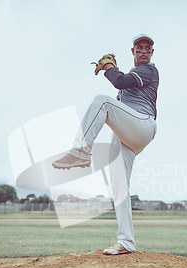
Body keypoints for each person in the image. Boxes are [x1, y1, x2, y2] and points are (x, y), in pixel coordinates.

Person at [52, 34, 159, 255]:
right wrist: (114, 70)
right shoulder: (130, 79)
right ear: (132, 52)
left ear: (152, 53)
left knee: (102, 101)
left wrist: (109, 68)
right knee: (119, 185)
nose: (143, 51)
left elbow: (120, 81)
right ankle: (126, 242)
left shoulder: (149, 71)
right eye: (139, 47)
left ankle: (80, 150)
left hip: (143, 125)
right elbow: (122, 86)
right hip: (128, 134)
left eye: (148, 48)